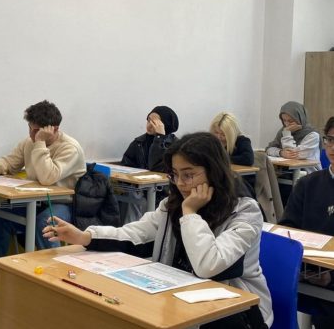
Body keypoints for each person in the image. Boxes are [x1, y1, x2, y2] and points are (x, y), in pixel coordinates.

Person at [44, 132, 273, 328]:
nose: (180, 183)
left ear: (214, 172)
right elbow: (135, 234)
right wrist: (84, 236)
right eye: (175, 174)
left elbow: (208, 266)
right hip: (176, 300)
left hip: (234, 314)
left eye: (189, 174)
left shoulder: (244, 212)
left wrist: (190, 213)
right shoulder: (171, 205)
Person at [0, 100, 86, 290]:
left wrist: (40, 143)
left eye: (36, 131)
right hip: (32, 200)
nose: (31, 135)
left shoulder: (70, 148)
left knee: (45, 222)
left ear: (54, 129)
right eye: (30, 128)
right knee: (0, 215)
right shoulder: (29, 142)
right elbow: (10, 162)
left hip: (62, 203)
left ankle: (54, 275)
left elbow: (47, 177)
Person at [279, 116, 334, 328]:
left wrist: (330, 277)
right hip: (308, 273)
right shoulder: (307, 184)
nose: (332, 147)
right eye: (330, 140)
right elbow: (287, 230)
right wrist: (304, 269)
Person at [120, 105, 179, 221]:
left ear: (165, 124)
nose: (149, 124)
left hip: (162, 193)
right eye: (148, 120)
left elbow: (157, 168)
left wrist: (159, 138)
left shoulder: (176, 145)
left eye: (155, 122)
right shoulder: (139, 143)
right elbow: (126, 164)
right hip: (139, 190)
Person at [266, 101, 321, 170]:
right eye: (284, 120)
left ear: (300, 118)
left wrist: (287, 133)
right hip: (287, 172)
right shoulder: (283, 130)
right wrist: (281, 152)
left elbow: (292, 155)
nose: (287, 124)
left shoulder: (313, 135)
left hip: (308, 172)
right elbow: (269, 149)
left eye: (291, 121)